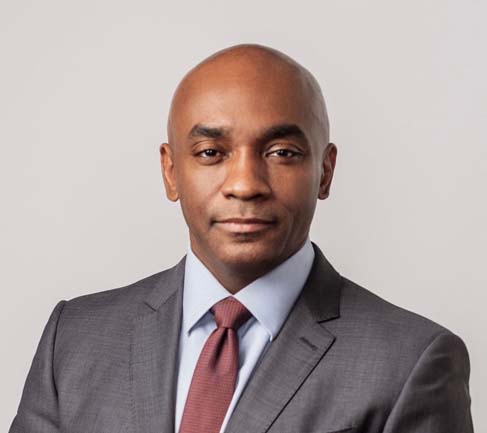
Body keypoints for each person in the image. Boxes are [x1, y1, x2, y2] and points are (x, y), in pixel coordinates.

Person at [10, 44, 473, 433]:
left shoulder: (411, 362)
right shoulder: (74, 338)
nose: (245, 184)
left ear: (325, 171)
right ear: (170, 172)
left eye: (282, 152)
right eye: (211, 152)